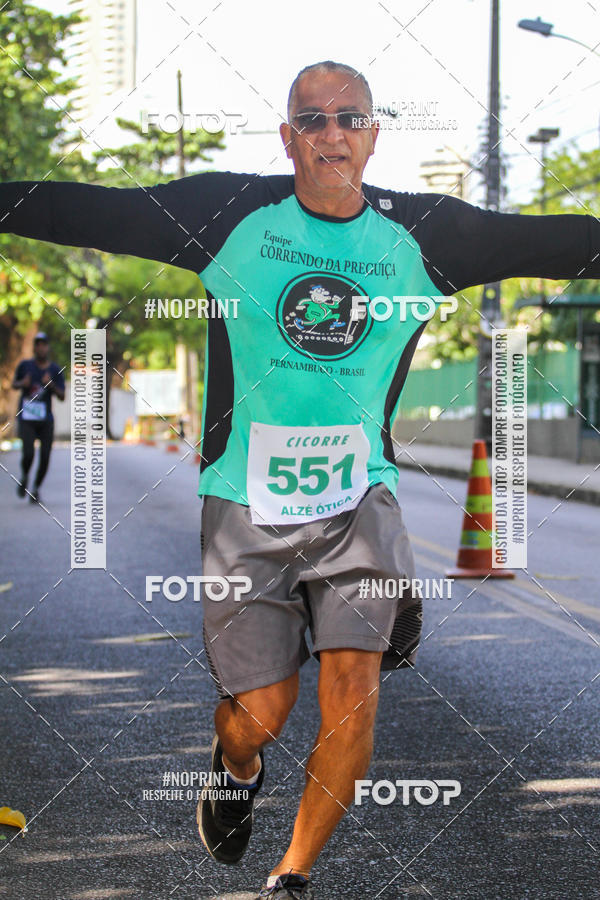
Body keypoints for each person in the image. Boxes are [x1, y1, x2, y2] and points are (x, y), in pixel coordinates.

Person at [1, 59, 599, 898]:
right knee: (261, 716)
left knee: (351, 687)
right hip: (245, 499)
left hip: (362, 497)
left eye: (348, 118)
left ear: (373, 135)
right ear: (287, 137)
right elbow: (90, 210)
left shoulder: (429, 235)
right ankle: (235, 768)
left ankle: (292, 876)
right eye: (311, 120)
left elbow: (563, 241)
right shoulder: (227, 214)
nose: (331, 133)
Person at [12, 332, 65, 504]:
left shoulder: (55, 370)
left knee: (45, 456)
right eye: (38, 344)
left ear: (48, 347)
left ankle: (35, 488)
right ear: (34, 347)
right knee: (28, 454)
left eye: (44, 344)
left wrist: (51, 385)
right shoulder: (25, 366)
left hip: (46, 420)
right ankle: (25, 476)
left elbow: (62, 396)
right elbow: (14, 384)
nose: (41, 347)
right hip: (27, 418)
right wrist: (22, 384)